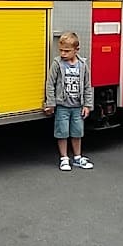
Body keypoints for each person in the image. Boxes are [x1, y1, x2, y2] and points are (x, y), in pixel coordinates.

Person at [44, 31, 95, 171]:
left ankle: (78, 157)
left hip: (77, 106)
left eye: (67, 51)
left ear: (76, 50)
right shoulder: (57, 64)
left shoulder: (83, 65)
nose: (63, 54)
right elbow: (50, 84)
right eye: (61, 50)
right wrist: (51, 103)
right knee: (62, 132)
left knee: (77, 132)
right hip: (62, 106)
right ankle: (64, 158)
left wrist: (87, 105)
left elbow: (87, 86)